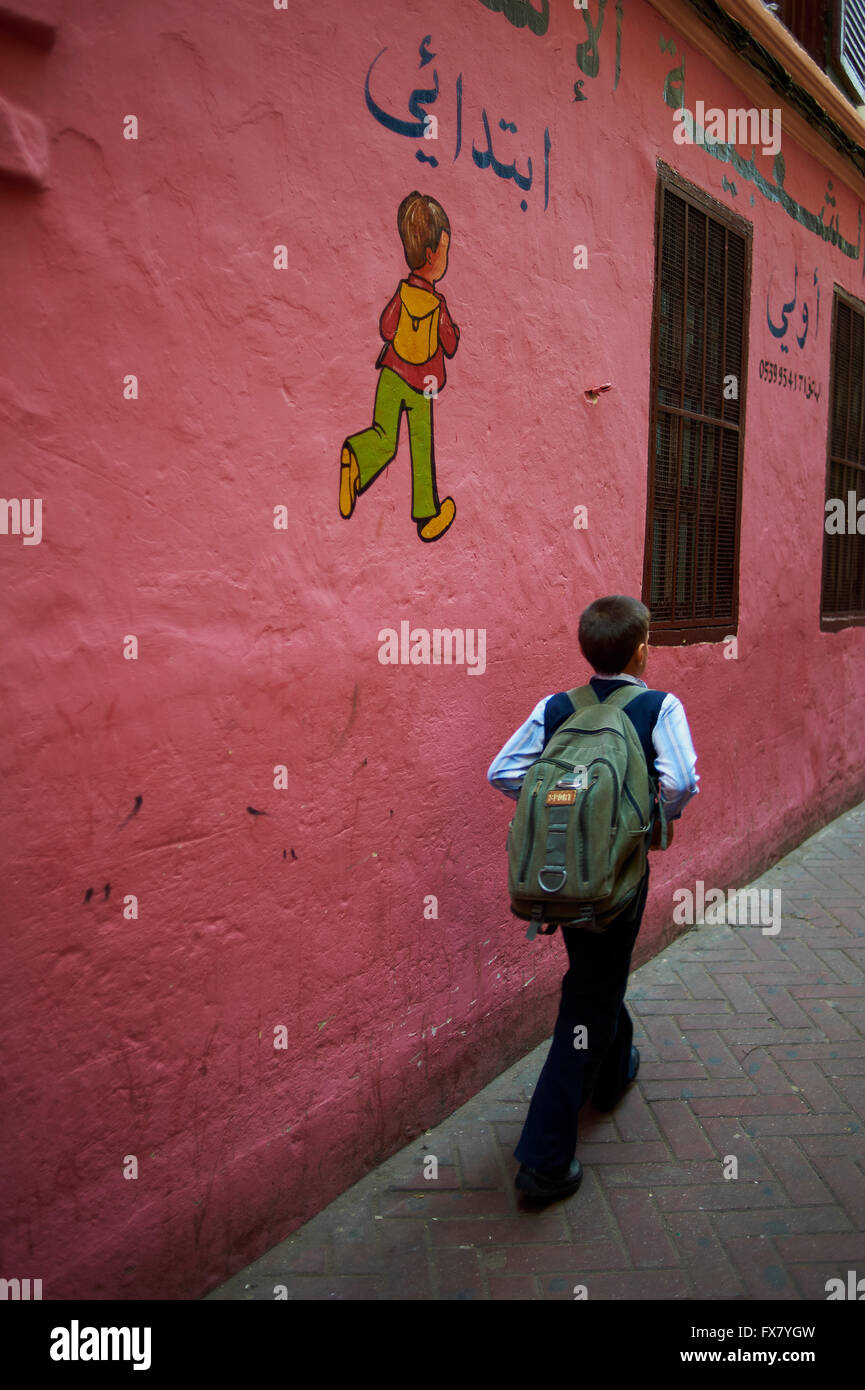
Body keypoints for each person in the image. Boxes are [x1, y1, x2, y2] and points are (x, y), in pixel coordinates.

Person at [486, 595, 699, 1202]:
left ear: (588, 651)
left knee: (595, 977)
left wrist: (565, 816)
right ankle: (544, 1161)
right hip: (618, 877)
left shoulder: (556, 707)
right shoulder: (659, 707)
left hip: (559, 876)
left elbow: (503, 772)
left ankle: (613, 1074)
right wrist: (640, 817)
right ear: (640, 650)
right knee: (587, 999)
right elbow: (681, 781)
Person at [339, 191, 459, 542]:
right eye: (446, 251)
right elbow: (449, 343)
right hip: (423, 385)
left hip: (392, 375)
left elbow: (387, 328)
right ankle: (427, 514)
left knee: (384, 438)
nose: (446, 259)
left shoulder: (403, 293)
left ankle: (357, 455)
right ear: (431, 254)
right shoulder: (437, 304)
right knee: (422, 448)